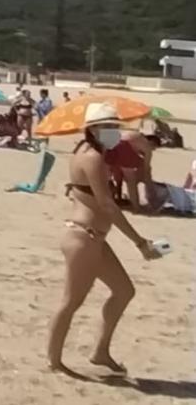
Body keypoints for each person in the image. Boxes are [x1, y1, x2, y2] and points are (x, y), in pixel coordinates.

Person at [47, 103, 160, 375]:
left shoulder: (90, 152)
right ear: (92, 129)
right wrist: (139, 241)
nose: (112, 131)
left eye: (114, 126)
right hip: (84, 238)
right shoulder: (93, 157)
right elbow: (108, 205)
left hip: (93, 238)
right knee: (71, 301)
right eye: (106, 126)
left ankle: (100, 352)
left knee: (124, 291)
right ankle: (54, 360)